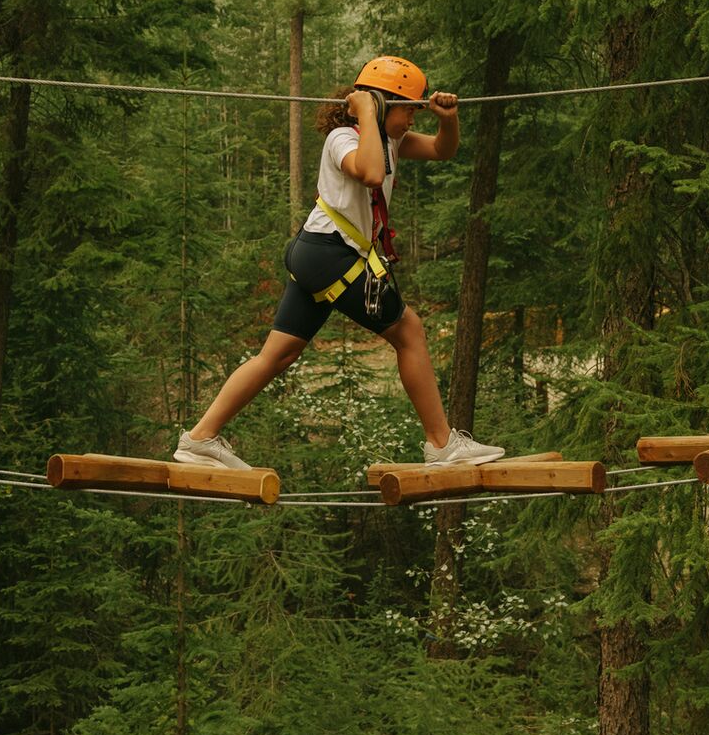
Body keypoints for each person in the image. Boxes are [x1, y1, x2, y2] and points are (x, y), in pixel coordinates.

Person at [173, 55, 506, 470]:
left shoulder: (389, 139)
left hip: (319, 254)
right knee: (410, 331)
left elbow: (443, 149)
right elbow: (368, 173)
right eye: (408, 110)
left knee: (278, 354)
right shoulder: (343, 139)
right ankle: (442, 445)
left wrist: (447, 118)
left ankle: (200, 438)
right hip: (331, 253)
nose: (411, 120)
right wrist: (367, 112)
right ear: (381, 106)